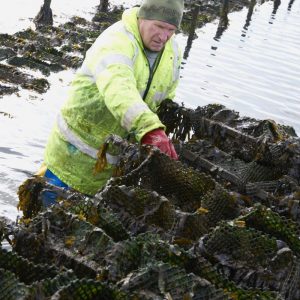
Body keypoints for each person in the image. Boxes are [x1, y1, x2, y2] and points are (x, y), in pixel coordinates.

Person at [40, 0, 184, 202]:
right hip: (71, 159)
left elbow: (167, 95)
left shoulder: (173, 52)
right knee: (46, 221)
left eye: (171, 30)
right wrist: (150, 129)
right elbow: (118, 89)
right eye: (159, 26)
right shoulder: (117, 41)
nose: (163, 36)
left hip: (114, 168)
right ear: (143, 17)